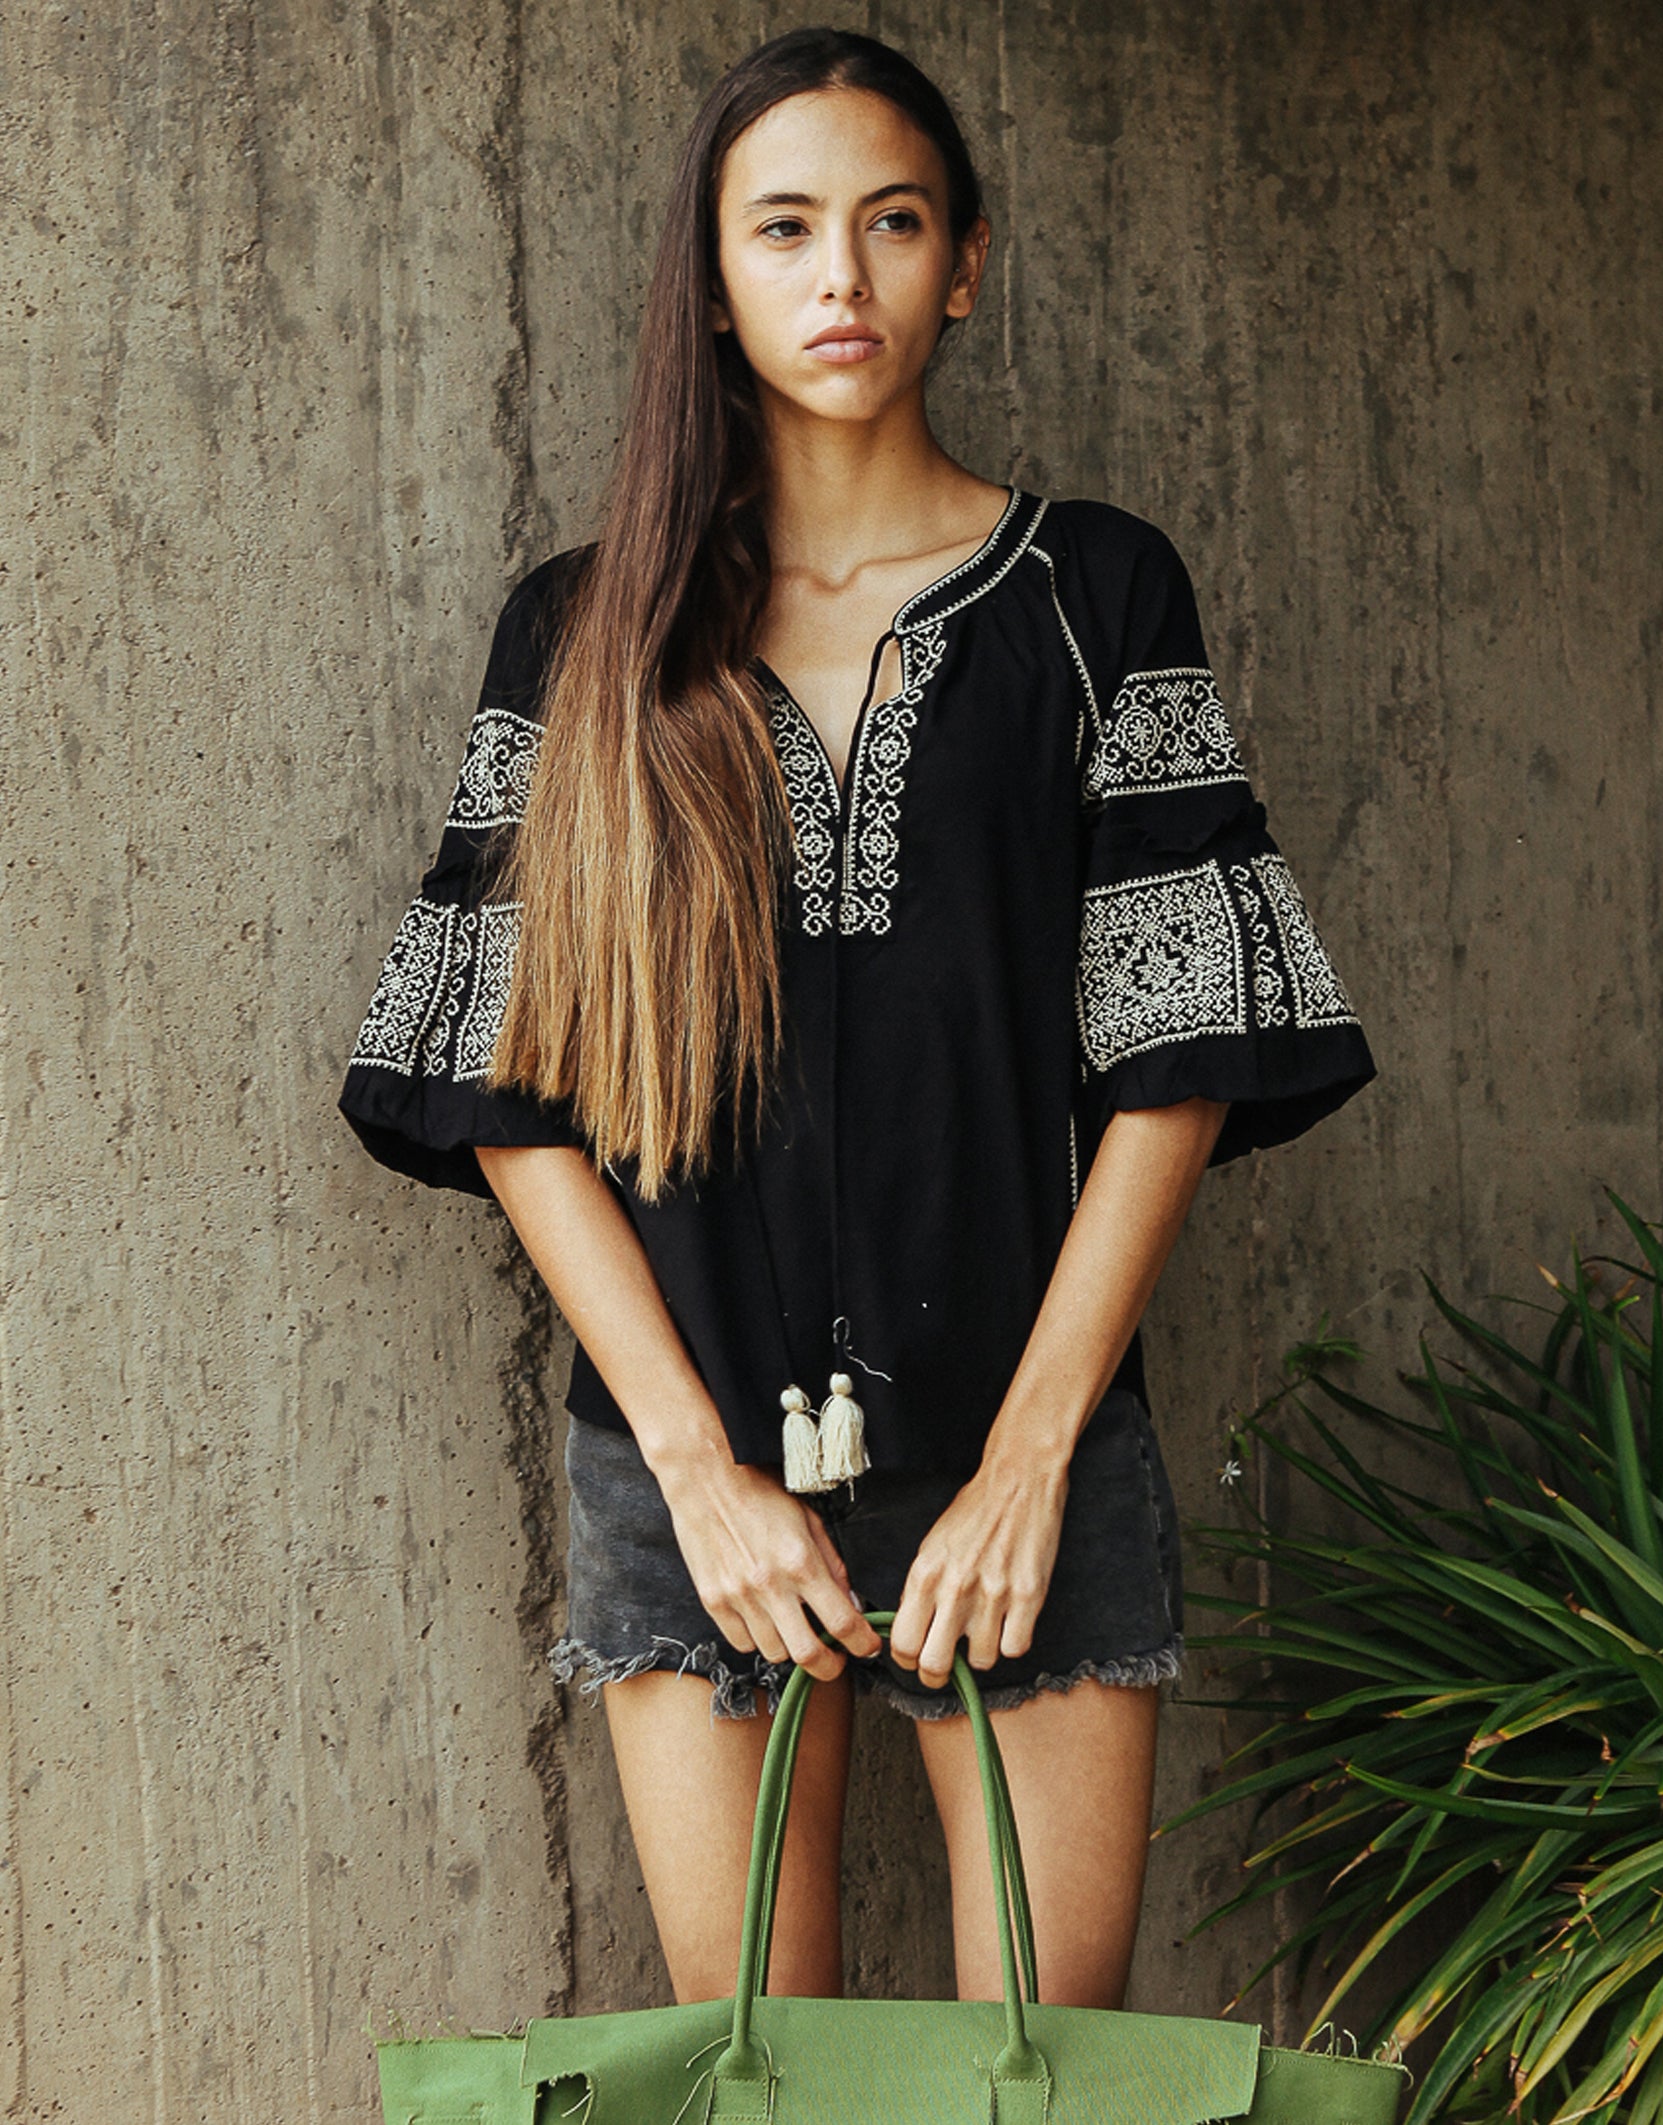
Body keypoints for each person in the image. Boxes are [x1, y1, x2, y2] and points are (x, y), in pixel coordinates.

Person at [337, 26, 1376, 2018]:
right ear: (713, 276)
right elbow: (502, 1085)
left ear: (962, 262)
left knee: (1042, 2080)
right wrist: (695, 1471)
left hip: (1029, 1443)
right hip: (691, 1464)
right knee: (757, 2077)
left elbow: (1176, 1056)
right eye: (785, 228)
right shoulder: (584, 628)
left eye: (891, 223)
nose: (841, 276)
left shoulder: (1095, 591)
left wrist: (1031, 1456)